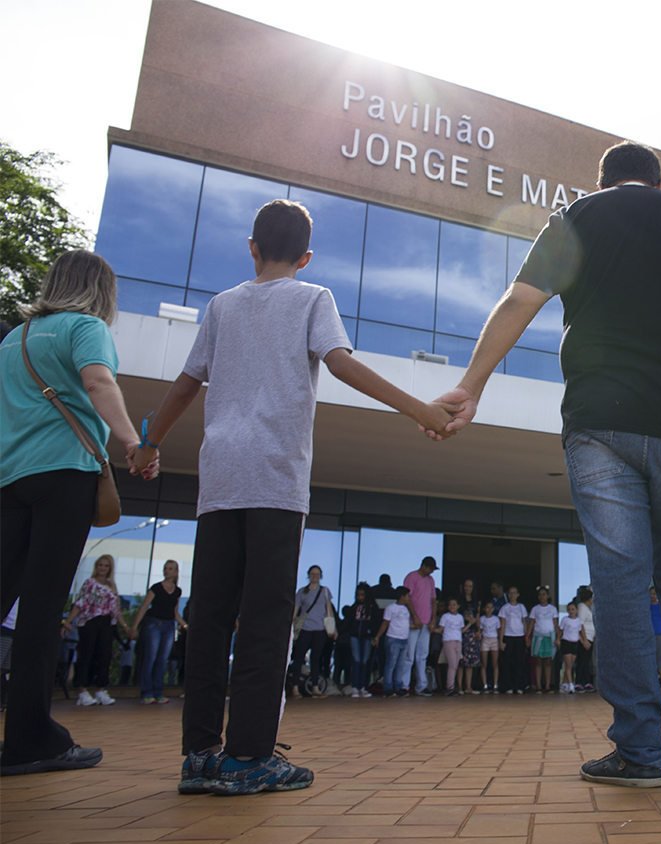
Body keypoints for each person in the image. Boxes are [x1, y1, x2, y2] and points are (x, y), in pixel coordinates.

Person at [428, 141, 661, 787]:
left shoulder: (577, 217)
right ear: (658, 183)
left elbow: (520, 300)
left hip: (599, 423)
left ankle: (640, 752)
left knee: (622, 583)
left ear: (601, 181)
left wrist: (472, 384)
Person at [128, 199, 457, 794]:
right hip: (275, 480)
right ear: (306, 257)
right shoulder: (313, 298)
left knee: (209, 620)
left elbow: (184, 386)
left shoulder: (222, 305)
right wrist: (420, 408)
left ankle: (200, 756)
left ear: (251, 247)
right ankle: (250, 757)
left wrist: (149, 443)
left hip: (220, 480)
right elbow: (340, 363)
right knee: (265, 619)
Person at [1, 250, 154, 776]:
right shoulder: (85, 327)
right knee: (42, 612)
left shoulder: (12, 339)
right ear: (101, 291)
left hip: (9, 479)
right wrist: (133, 442)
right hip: (62, 475)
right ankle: (30, 739)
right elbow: (98, 383)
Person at [64, 554, 132, 707]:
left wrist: (125, 627)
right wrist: (68, 622)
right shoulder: (89, 583)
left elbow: (117, 610)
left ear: (110, 569)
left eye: (106, 566)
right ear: (96, 567)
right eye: (100, 565)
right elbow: (79, 603)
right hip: (90, 622)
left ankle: (101, 689)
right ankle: (82, 691)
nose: (102, 568)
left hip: (107, 624)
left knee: (104, 656)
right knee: (87, 654)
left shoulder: (112, 586)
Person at [130, 559, 187, 704]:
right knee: (151, 657)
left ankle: (158, 691)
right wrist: (134, 626)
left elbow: (175, 612)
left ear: (175, 572)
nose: (167, 571)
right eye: (165, 568)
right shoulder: (155, 588)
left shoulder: (177, 591)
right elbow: (144, 607)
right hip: (154, 624)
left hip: (169, 626)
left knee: (162, 660)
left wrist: (186, 626)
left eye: (170, 568)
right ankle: (146, 692)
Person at [290, 565, 335, 698]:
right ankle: (295, 688)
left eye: (317, 574)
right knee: (299, 658)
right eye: (312, 574)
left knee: (316, 659)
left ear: (320, 576)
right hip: (305, 628)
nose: (315, 576)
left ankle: (315, 687)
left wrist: (333, 628)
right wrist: (291, 624)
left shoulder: (325, 591)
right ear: (308, 575)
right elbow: (296, 609)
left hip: (320, 628)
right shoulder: (302, 592)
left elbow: (329, 610)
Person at [403, 557, 439, 697]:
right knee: (409, 655)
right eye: (430, 568)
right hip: (413, 623)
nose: (431, 571)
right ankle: (404, 686)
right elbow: (407, 599)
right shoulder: (412, 577)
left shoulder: (431, 580)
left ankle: (421, 686)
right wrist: (415, 617)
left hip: (426, 623)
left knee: (422, 655)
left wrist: (432, 620)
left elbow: (434, 601)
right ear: (423, 566)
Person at [372, 587, 412, 697]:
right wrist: (377, 637)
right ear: (402, 596)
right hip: (393, 638)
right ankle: (388, 688)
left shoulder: (405, 609)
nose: (409, 598)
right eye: (408, 596)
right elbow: (385, 623)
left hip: (404, 639)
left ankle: (398, 687)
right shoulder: (391, 608)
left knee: (399, 665)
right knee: (391, 664)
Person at [347, 583, 380, 698]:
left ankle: (363, 687)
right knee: (357, 661)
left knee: (364, 661)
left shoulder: (373, 608)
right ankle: (355, 687)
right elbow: (349, 621)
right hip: (355, 635)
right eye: (358, 595)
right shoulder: (354, 607)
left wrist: (375, 636)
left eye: (362, 595)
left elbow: (376, 623)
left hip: (367, 637)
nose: (360, 597)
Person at [435, 598, 471, 697]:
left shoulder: (460, 617)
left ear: (458, 606)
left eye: (454, 605)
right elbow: (440, 629)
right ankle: (450, 687)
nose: (452, 607)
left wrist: (470, 624)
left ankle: (451, 686)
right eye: (450, 605)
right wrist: (432, 630)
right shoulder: (445, 617)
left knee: (455, 664)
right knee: (452, 664)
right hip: (448, 641)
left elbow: (462, 630)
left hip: (458, 641)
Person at [498, 586, 529, 694]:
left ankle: (519, 686)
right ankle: (507, 686)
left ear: (518, 594)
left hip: (519, 636)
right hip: (508, 635)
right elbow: (502, 625)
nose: (512, 595)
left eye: (514, 593)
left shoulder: (521, 607)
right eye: (510, 593)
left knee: (519, 661)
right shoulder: (505, 608)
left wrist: (526, 637)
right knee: (507, 662)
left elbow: (524, 622)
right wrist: (501, 641)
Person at [529, 586, 558, 694]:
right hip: (538, 637)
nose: (542, 597)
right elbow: (531, 623)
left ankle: (547, 685)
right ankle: (538, 685)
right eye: (540, 595)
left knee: (548, 661)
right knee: (538, 661)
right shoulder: (535, 609)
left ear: (548, 596)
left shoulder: (552, 609)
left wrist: (558, 637)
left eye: (544, 594)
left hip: (549, 637)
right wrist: (527, 636)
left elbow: (555, 624)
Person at [458, 579, 482, 695]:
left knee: (470, 662)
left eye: (470, 586)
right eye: (466, 586)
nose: (468, 588)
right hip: (461, 632)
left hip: (472, 633)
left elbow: (477, 617)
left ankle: (468, 686)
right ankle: (459, 686)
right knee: (461, 661)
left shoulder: (476, 602)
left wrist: (478, 630)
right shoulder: (459, 601)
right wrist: (467, 619)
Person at [560, 601, 588, 693]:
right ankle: (571, 685)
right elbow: (561, 631)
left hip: (574, 644)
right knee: (568, 665)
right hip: (566, 643)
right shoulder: (565, 620)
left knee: (571, 665)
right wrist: (557, 639)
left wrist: (584, 641)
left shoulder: (578, 621)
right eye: (569, 610)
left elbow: (579, 632)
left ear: (576, 610)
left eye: (572, 609)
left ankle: (564, 684)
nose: (571, 611)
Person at [575, 586, 596, 692]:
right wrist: (584, 640)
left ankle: (587, 682)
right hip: (586, 638)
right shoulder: (582, 607)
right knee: (582, 661)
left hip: (590, 637)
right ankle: (578, 682)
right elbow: (581, 624)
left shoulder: (586, 608)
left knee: (586, 661)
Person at [478, 600, 501, 693]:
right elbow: (479, 630)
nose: (489, 609)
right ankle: (485, 685)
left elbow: (499, 631)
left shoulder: (496, 619)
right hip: (485, 640)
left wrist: (500, 641)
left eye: (491, 607)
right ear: (484, 609)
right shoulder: (482, 619)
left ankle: (495, 685)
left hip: (494, 640)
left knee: (495, 664)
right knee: (484, 664)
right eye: (487, 607)